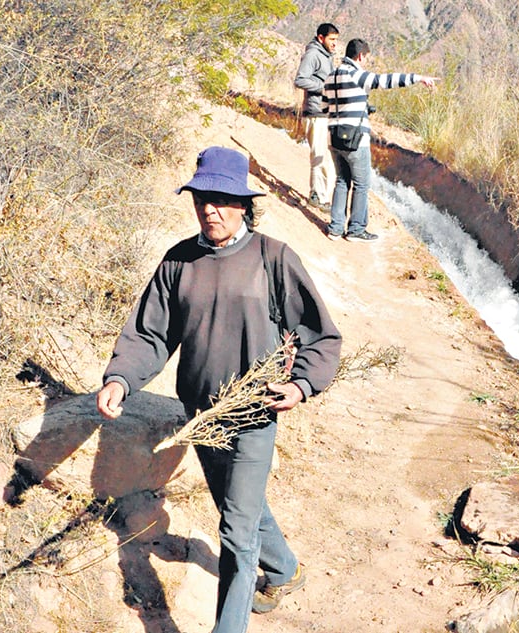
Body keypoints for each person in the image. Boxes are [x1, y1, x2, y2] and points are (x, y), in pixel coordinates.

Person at [96, 146, 342, 633]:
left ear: (244, 204)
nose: (210, 208)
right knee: (237, 506)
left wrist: (301, 386)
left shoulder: (273, 258)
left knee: (236, 531)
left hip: (253, 415)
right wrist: (121, 378)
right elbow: (151, 333)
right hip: (201, 415)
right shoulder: (180, 261)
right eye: (202, 197)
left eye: (223, 198)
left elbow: (320, 334)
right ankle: (286, 570)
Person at [324, 38, 437, 242]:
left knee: (342, 181)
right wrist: (418, 78)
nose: (366, 61)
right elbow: (386, 81)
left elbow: (325, 106)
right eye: (366, 58)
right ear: (360, 56)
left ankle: (335, 228)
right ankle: (356, 230)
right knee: (361, 183)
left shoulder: (331, 77)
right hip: (356, 139)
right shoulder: (358, 75)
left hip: (333, 136)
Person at [294, 23, 340, 212]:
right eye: (332, 39)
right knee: (319, 157)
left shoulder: (326, 55)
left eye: (336, 40)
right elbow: (300, 79)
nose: (335, 44)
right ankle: (317, 197)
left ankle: (323, 197)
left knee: (326, 157)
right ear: (321, 38)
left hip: (325, 113)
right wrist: (323, 89)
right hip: (315, 113)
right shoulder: (313, 54)